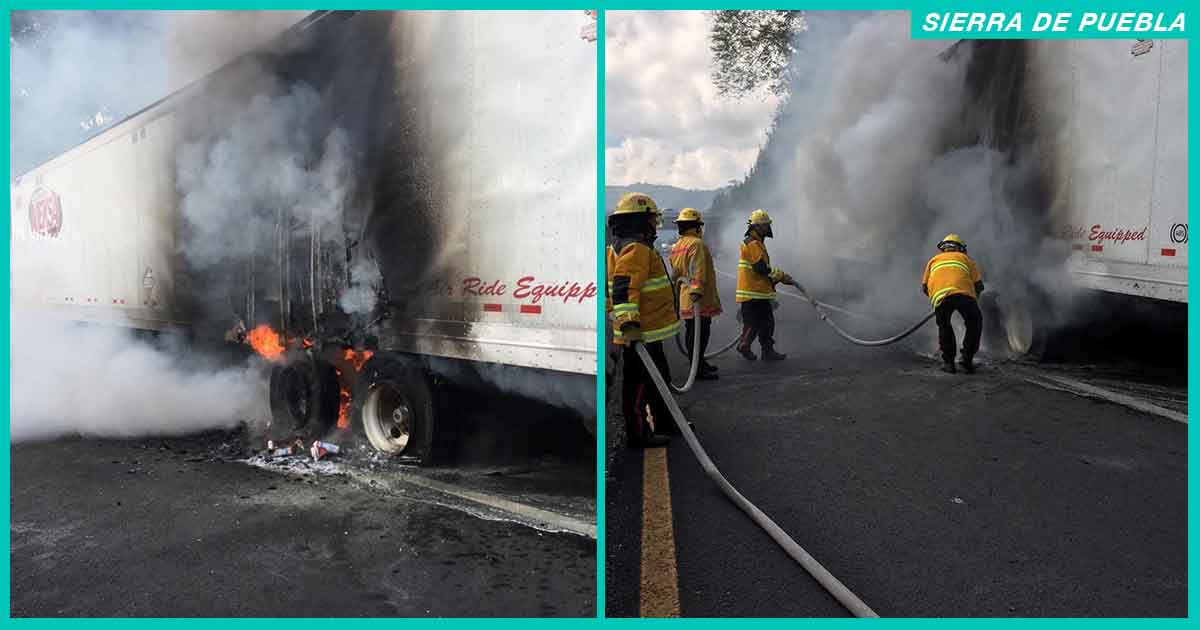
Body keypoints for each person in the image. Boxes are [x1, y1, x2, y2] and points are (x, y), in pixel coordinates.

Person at [607, 192, 681, 447]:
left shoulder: (624, 246)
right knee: (638, 387)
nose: (654, 225)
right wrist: (629, 324)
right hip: (640, 334)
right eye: (652, 219)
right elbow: (624, 289)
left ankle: (667, 422)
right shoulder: (636, 249)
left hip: (648, 333)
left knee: (658, 380)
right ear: (641, 221)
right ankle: (638, 435)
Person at [669, 208, 721, 380]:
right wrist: (697, 291)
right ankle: (697, 369)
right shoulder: (696, 244)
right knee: (700, 335)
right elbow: (697, 269)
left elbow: (675, 274)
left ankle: (698, 363)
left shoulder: (677, 246)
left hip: (686, 298)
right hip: (698, 299)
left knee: (692, 333)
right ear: (697, 227)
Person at [921, 233, 984, 374]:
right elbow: (979, 285)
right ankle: (966, 360)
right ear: (960, 248)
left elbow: (925, 286)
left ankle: (949, 364)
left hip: (940, 297)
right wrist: (974, 299)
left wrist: (937, 301)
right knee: (975, 322)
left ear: (943, 248)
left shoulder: (933, 260)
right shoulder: (966, 259)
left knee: (944, 327)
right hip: (964, 294)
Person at [735, 209, 792, 361]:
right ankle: (744, 344)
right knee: (753, 323)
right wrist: (779, 275)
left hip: (758, 291)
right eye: (765, 225)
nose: (768, 228)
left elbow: (761, 271)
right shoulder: (753, 243)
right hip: (753, 292)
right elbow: (760, 269)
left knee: (766, 322)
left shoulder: (756, 243)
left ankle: (767, 351)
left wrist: (774, 279)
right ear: (757, 227)